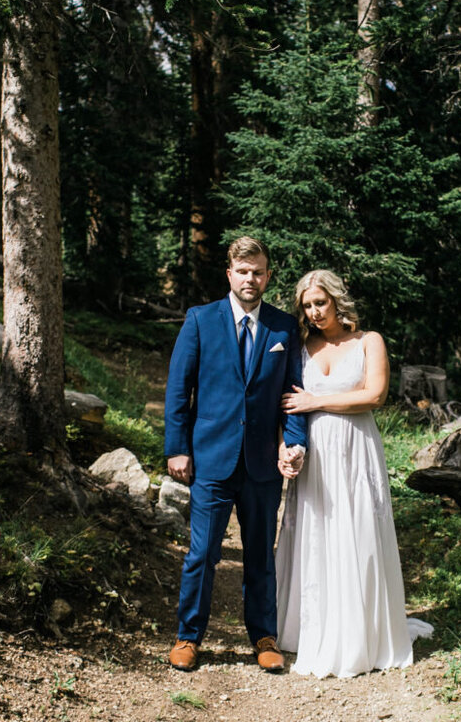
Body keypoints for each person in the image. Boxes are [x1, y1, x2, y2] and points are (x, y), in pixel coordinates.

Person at [275, 269, 430, 678]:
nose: (313, 312)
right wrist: (286, 446)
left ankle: (361, 633)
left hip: (356, 449)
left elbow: (374, 395)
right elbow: (289, 404)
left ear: (337, 300)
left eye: (320, 303)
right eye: (307, 306)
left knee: (356, 529)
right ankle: (312, 627)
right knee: (317, 532)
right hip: (318, 454)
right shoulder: (301, 345)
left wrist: (316, 402)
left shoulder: (369, 341)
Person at [164, 236, 308, 673]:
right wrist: (177, 448)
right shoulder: (200, 320)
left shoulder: (285, 329)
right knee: (202, 553)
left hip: (263, 462)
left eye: (258, 271)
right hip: (210, 459)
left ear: (268, 276)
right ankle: (188, 636)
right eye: (243, 271)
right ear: (230, 274)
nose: (251, 278)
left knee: (261, 555)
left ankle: (264, 636)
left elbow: (294, 393)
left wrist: (294, 441)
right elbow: (178, 389)